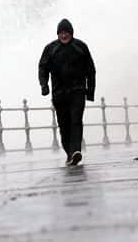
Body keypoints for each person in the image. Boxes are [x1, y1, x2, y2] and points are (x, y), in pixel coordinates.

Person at [39, 18, 96, 166]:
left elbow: (91, 70)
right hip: (59, 94)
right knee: (64, 126)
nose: (64, 35)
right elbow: (42, 68)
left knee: (76, 121)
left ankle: (76, 151)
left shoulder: (81, 47)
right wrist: (44, 86)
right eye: (61, 33)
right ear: (58, 34)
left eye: (66, 32)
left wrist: (90, 92)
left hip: (78, 92)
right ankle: (70, 154)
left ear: (71, 33)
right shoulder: (50, 49)